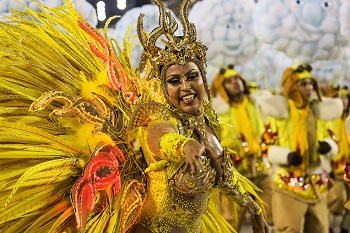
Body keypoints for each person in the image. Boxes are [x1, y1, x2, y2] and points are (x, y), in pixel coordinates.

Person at [0, 0, 269, 232]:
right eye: (175, 81)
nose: (186, 86)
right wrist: (185, 146)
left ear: (204, 78)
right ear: (165, 89)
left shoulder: (209, 128)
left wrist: (255, 211)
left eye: (192, 76)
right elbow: (163, 141)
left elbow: (227, 179)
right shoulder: (161, 121)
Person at [257, 64, 342, 233]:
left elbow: (333, 137)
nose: (309, 88)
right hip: (287, 185)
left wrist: (328, 145)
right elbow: (266, 146)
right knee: (290, 229)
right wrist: (285, 156)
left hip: (317, 184)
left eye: (311, 83)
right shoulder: (279, 114)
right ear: (292, 86)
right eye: (303, 84)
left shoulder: (319, 111)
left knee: (319, 229)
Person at [210, 65, 274, 230]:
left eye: (236, 79)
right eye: (229, 81)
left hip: (262, 168)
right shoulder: (218, 113)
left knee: (269, 215)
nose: (235, 83)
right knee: (232, 219)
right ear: (222, 88)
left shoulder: (257, 104)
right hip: (235, 172)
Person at [322, 85, 350, 233]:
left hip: (349, 169)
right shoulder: (328, 121)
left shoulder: (349, 120)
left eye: (346, 97)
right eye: (340, 97)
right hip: (336, 172)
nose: (343, 101)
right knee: (337, 201)